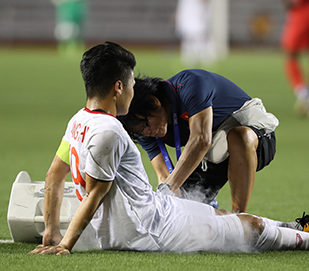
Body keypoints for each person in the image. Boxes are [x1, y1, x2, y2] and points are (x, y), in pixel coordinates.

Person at [32, 42, 309, 256]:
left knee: (225, 217)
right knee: (248, 230)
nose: (134, 88)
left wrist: (52, 230)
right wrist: (64, 244)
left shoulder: (79, 120)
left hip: (143, 221)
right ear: (118, 87)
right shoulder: (113, 130)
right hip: (154, 228)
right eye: (132, 82)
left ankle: (294, 225)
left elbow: (53, 176)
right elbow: (95, 194)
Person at [118, 70, 279, 214]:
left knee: (239, 136)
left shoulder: (190, 85)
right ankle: (223, 220)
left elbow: (201, 139)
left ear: (155, 102)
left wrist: (170, 187)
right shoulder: (143, 129)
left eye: (146, 124)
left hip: (255, 136)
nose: (147, 133)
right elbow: (165, 175)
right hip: (211, 155)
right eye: (140, 132)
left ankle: (240, 216)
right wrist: (173, 198)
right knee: (180, 209)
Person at [175, 0, 215, 67]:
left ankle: (205, 58)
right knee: (189, 41)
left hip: (196, 21)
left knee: (199, 40)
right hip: (187, 21)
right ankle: (191, 59)